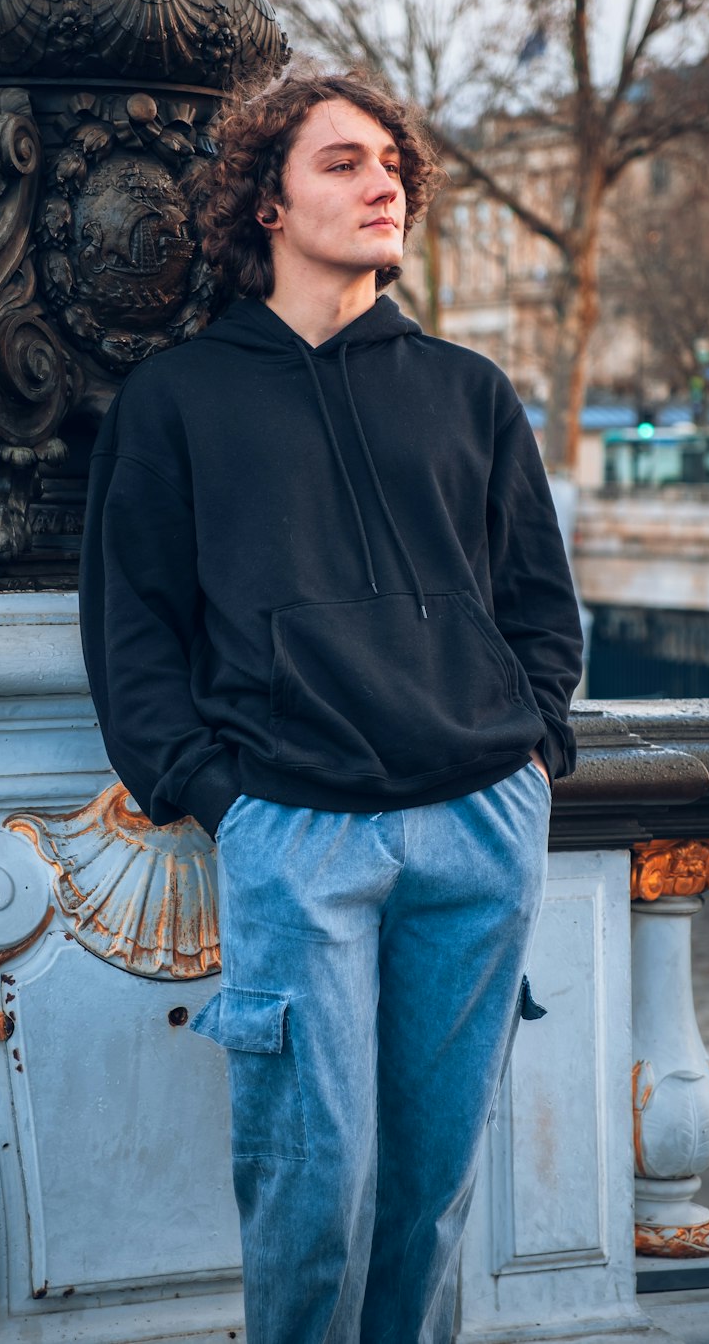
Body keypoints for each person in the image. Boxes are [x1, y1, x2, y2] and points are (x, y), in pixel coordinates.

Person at [79, 69, 583, 1344]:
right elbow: (133, 631)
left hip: (476, 825)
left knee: (431, 1193)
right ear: (266, 202)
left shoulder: (468, 389)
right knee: (314, 1190)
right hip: (294, 835)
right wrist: (215, 796)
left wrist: (530, 752)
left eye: (394, 169)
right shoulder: (180, 399)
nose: (383, 186)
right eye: (344, 163)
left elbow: (536, 602)